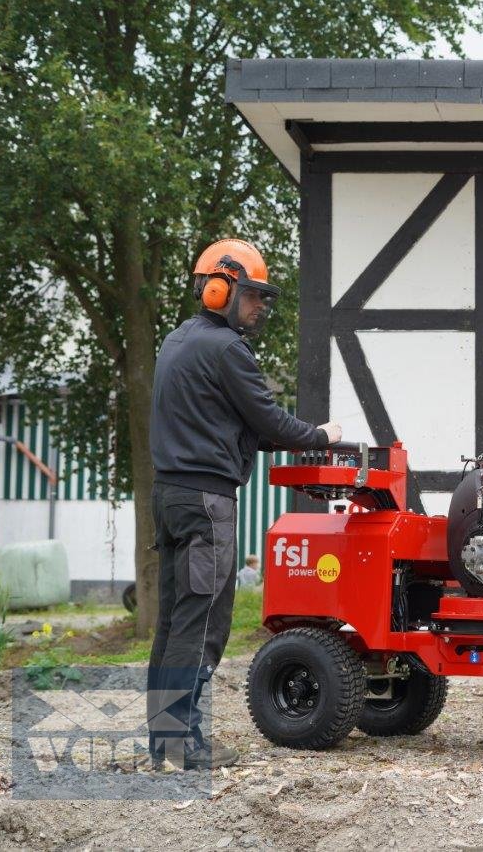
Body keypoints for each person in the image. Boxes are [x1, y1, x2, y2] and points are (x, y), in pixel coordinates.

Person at [146, 238, 341, 770]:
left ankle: (164, 743)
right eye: (252, 295)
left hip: (170, 497)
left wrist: (282, 436)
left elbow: (240, 424)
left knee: (174, 622)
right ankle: (183, 746)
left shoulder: (176, 342)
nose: (259, 307)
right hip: (207, 501)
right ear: (219, 289)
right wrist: (322, 435)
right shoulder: (227, 350)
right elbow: (271, 422)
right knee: (205, 619)